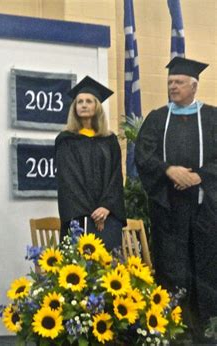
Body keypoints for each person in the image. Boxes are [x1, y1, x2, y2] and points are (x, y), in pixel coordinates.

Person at [135, 56, 217, 342]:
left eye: (179, 82)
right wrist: (168, 169)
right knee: (172, 268)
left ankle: (207, 331)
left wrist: (200, 176)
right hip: (168, 211)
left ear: (194, 86)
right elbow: (143, 156)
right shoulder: (158, 118)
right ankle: (173, 331)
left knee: (205, 268)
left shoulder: (212, 117)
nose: (173, 86)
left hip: (204, 208)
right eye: (170, 82)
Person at [55, 76, 126, 251]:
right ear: (74, 108)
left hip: (107, 217)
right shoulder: (66, 140)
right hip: (78, 217)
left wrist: (106, 207)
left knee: (108, 270)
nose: (84, 105)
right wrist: (91, 214)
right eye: (79, 102)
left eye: (89, 101)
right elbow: (69, 181)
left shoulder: (109, 140)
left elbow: (115, 177)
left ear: (97, 107)